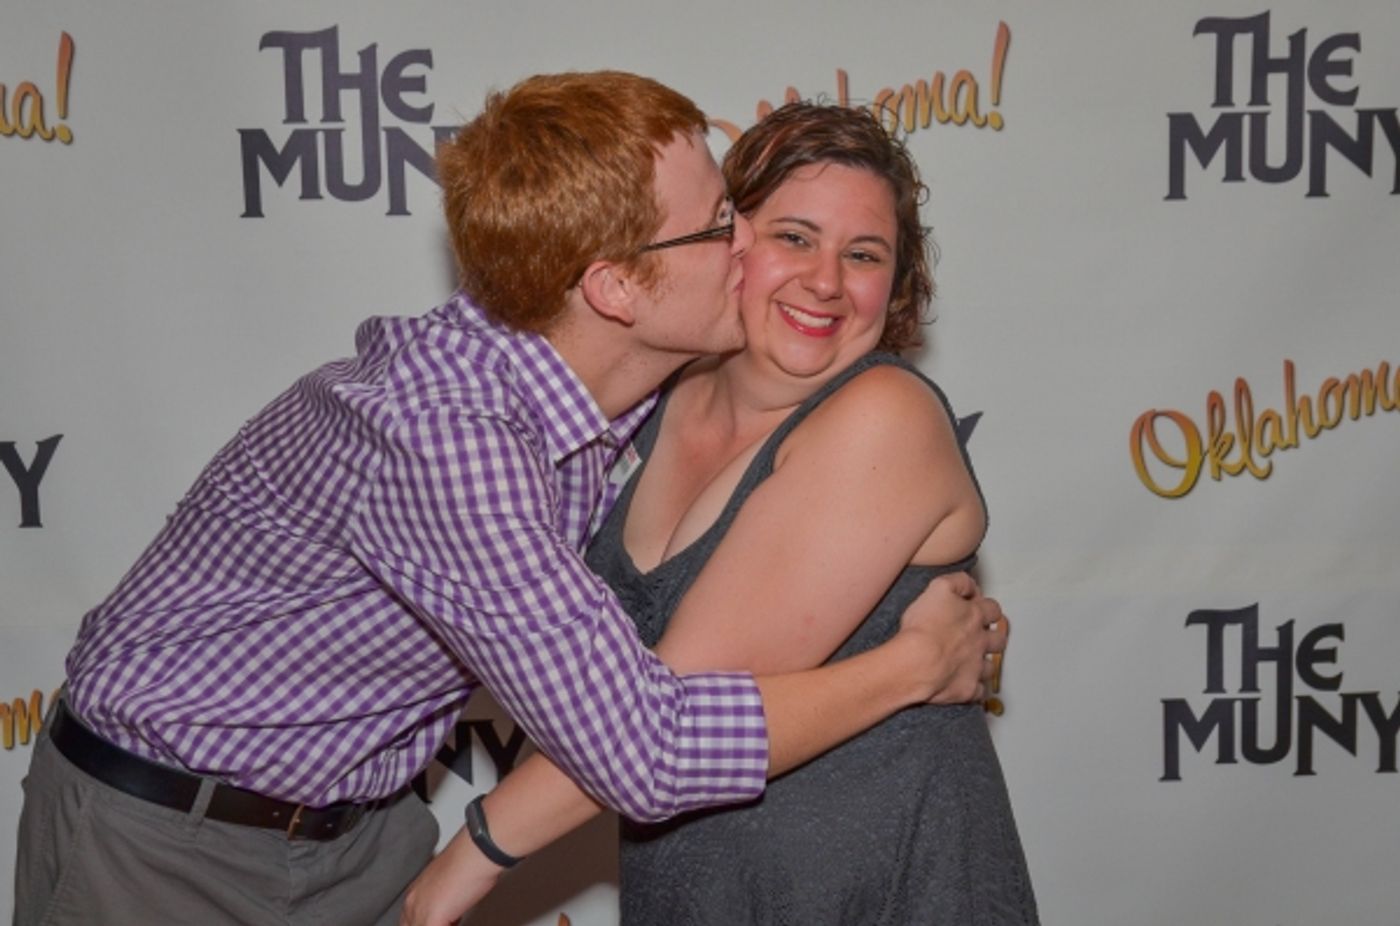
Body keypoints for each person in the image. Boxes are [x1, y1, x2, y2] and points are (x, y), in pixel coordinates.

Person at [13, 74, 1007, 926]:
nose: (751, 249)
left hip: (363, 827)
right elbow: (646, 742)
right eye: (726, 225)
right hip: (162, 835)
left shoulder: (615, 370)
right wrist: (913, 663)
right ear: (615, 286)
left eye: (859, 252)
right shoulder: (459, 439)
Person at [402, 101, 1037, 926]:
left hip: (882, 892)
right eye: (795, 237)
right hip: (693, 886)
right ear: (727, 241)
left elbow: (660, 709)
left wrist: (471, 857)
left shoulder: (886, 417)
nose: (827, 282)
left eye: (865, 253)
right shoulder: (655, 399)